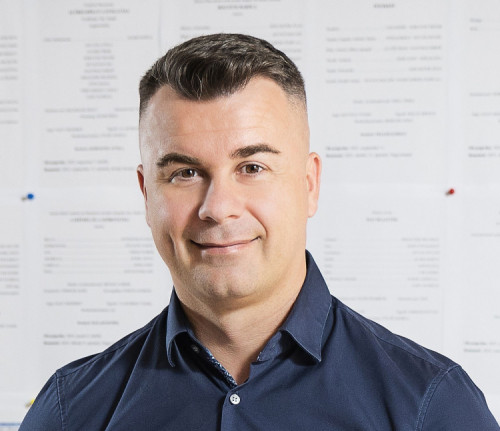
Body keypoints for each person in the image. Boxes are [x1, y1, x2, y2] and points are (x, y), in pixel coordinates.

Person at [20, 33, 499, 430]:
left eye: (251, 167)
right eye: (185, 173)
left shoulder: (432, 406)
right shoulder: (69, 412)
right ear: (147, 194)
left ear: (309, 185)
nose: (217, 208)